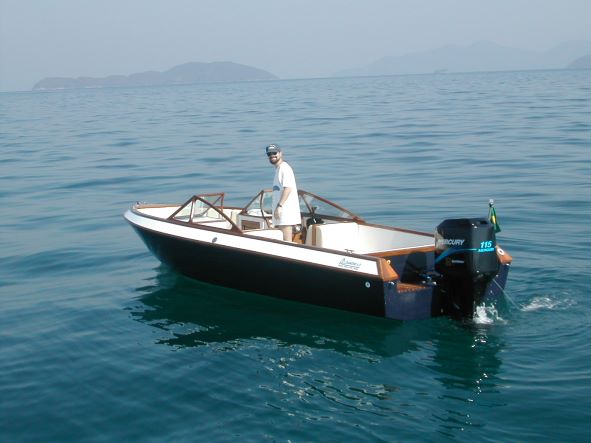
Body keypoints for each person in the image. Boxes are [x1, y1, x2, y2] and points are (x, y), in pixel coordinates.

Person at [266, 143, 301, 241]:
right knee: (282, 240)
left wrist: (279, 206)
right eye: (269, 154)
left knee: (286, 241)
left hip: (285, 212)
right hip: (281, 212)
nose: (272, 155)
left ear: (280, 153)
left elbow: (288, 188)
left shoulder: (284, 168)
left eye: (274, 153)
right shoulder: (278, 169)